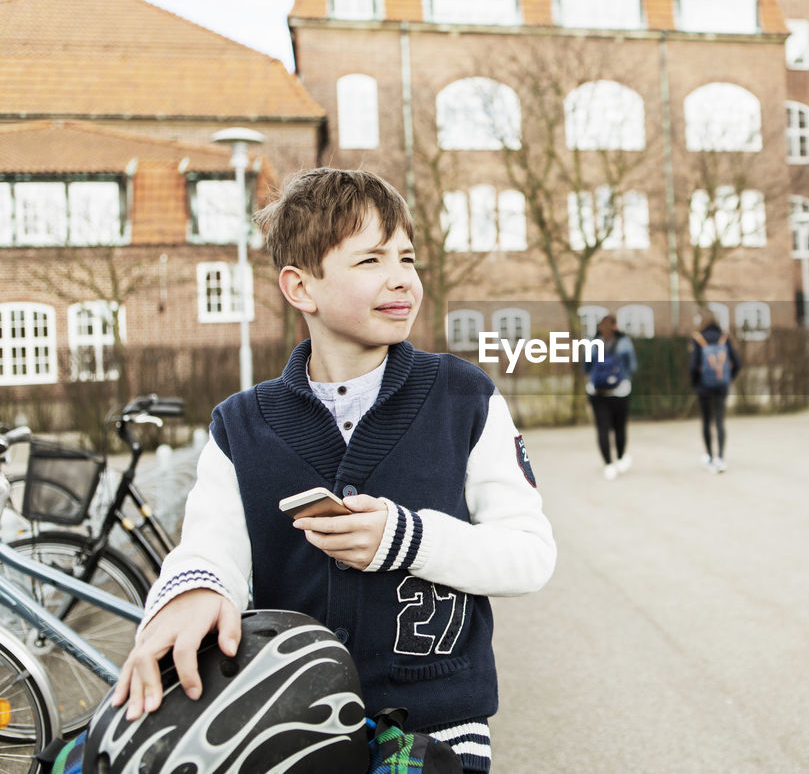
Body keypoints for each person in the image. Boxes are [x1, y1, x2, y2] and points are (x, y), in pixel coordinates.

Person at [110, 168, 556, 774]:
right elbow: (212, 549)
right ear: (301, 288)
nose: (402, 277)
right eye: (370, 260)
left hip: (436, 733)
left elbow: (529, 554)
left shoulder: (465, 397)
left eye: (407, 256)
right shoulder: (240, 426)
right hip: (282, 731)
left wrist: (408, 539)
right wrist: (191, 590)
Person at [582, 314, 637, 481]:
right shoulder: (625, 342)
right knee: (620, 427)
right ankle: (620, 459)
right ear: (615, 326)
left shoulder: (591, 343)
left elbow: (586, 368)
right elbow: (633, 367)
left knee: (602, 429)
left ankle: (608, 465)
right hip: (620, 391)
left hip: (597, 392)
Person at [689, 309, 741, 473]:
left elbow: (692, 367)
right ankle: (721, 457)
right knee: (719, 421)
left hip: (704, 387)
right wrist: (728, 378)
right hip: (721, 385)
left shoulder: (698, 338)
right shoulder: (724, 338)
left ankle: (710, 457)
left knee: (706, 421)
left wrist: (696, 384)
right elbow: (737, 363)